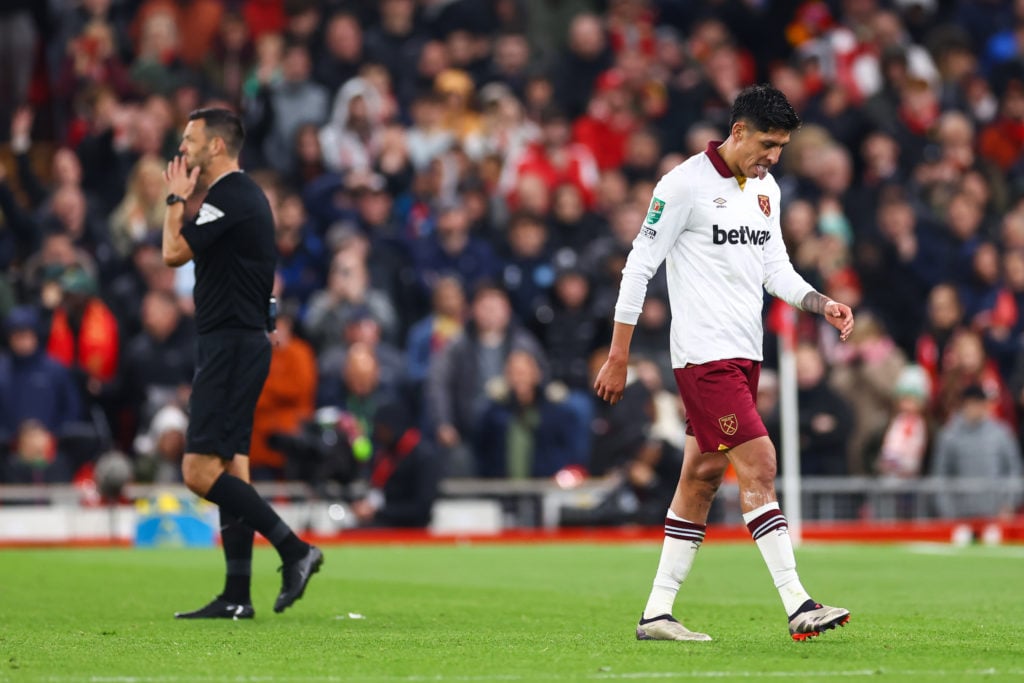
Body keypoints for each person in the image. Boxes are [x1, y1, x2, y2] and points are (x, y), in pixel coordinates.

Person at [593, 85, 856, 642]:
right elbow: (638, 267)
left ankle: (656, 614)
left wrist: (820, 303)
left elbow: (775, 268)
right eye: (768, 143)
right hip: (703, 357)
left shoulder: (767, 190)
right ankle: (798, 603)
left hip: (746, 353)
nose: (774, 157)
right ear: (738, 131)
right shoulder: (682, 185)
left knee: (703, 475)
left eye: (782, 147)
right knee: (759, 464)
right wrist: (619, 354)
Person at [162, 107, 322, 619]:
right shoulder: (237, 198)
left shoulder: (231, 195)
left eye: (190, 140)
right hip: (236, 341)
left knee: (198, 470)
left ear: (215, 146)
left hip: (231, 344)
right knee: (234, 467)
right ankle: (236, 595)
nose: (182, 149)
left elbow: (172, 253)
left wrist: (174, 199)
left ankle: (295, 549)